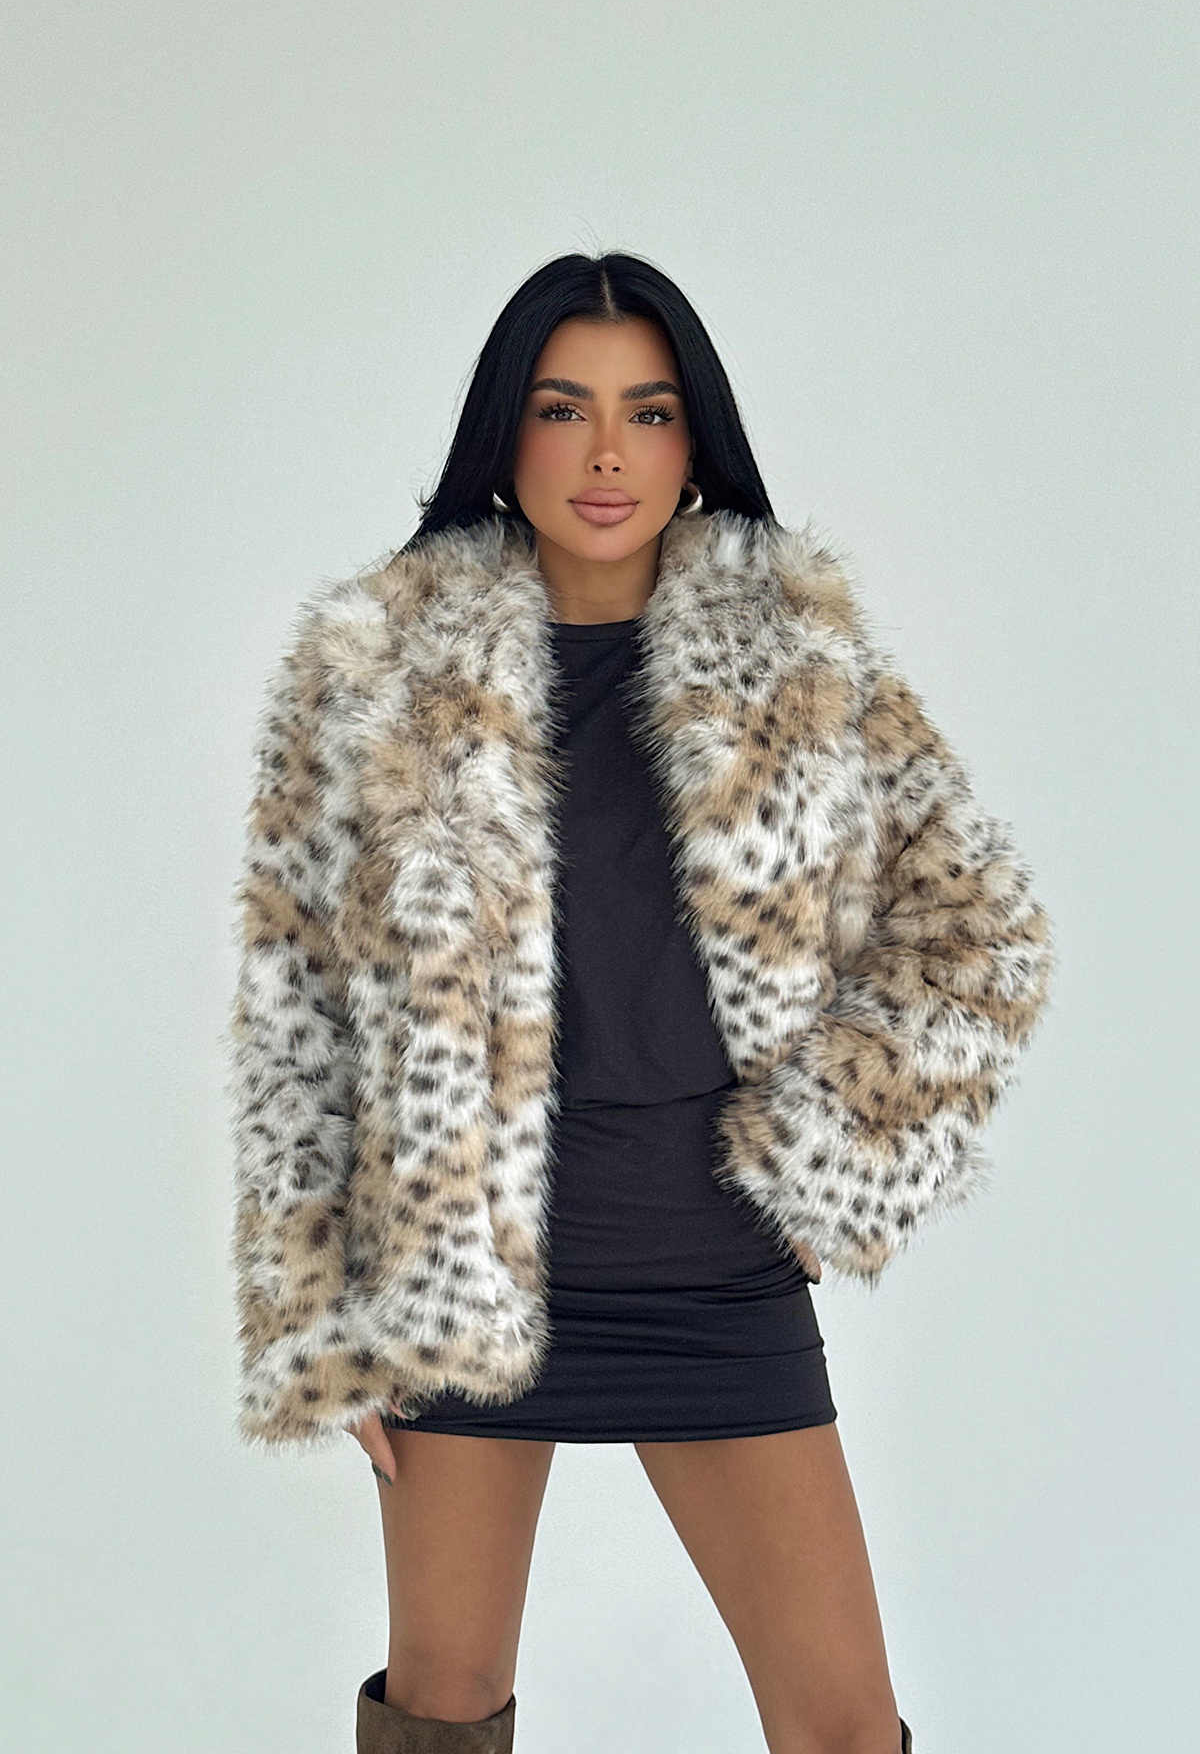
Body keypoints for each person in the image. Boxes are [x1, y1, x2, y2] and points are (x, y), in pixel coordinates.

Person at [226, 250, 1055, 1754]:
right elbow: (297, 1008)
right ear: (507, 435)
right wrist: (320, 1311)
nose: (606, 453)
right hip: (466, 1273)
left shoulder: (798, 660)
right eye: (564, 408)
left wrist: (839, 1156)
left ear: (692, 443)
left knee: (842, 1725)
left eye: (648, 412)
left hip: (714, 1261)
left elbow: (976, 930)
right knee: (443, 1704)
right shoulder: (376, 669)